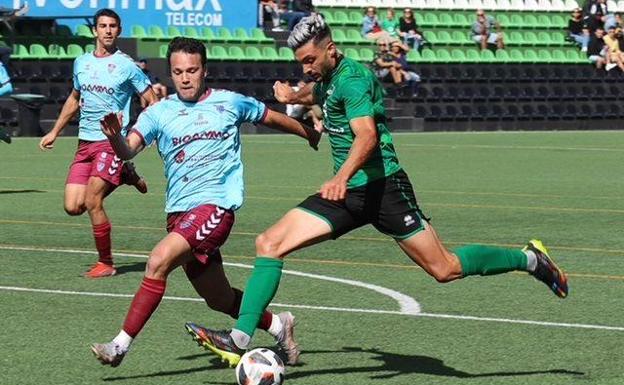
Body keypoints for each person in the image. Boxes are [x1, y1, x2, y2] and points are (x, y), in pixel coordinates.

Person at [185, 15, 569, 367]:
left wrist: (340, 176)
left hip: (383, 188)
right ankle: (239, 338)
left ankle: (530, 260)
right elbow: (318, 92)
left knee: (445, 268)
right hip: (348, 195)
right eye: (301, 61)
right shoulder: (328, 76)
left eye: (309, 59)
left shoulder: (352, 80)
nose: (305, 68)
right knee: (269, 243)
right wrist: (292, 97)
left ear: (330, 50)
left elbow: (366, 136)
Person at [90, 36, 321, 367]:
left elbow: (270, 116)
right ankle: (278, 325)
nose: (185, 78)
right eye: (178, 71)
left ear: (205, 70)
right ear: (170, 73)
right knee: (219, 298)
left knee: (158, 260)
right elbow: (129, 150)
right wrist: (114, 137)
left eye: (192, 70)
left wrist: (308, 132)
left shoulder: (230, 102)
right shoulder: (159, 113)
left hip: (214, 208)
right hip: (179, 215)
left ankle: (119, 345)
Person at [38, 8, 158, 278]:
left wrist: (145, 134)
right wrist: (55, 131)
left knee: (93, 201)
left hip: (111, 143)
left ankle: (106, 263)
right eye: (102, 25)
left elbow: (152, 101)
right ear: (94, 30)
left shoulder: (127, 65)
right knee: (73, 207)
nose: (107, 30)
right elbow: (73, 99)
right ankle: (125, 174)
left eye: (112, 26)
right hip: (84, 143)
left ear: (119, 30)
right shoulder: (81, 62)